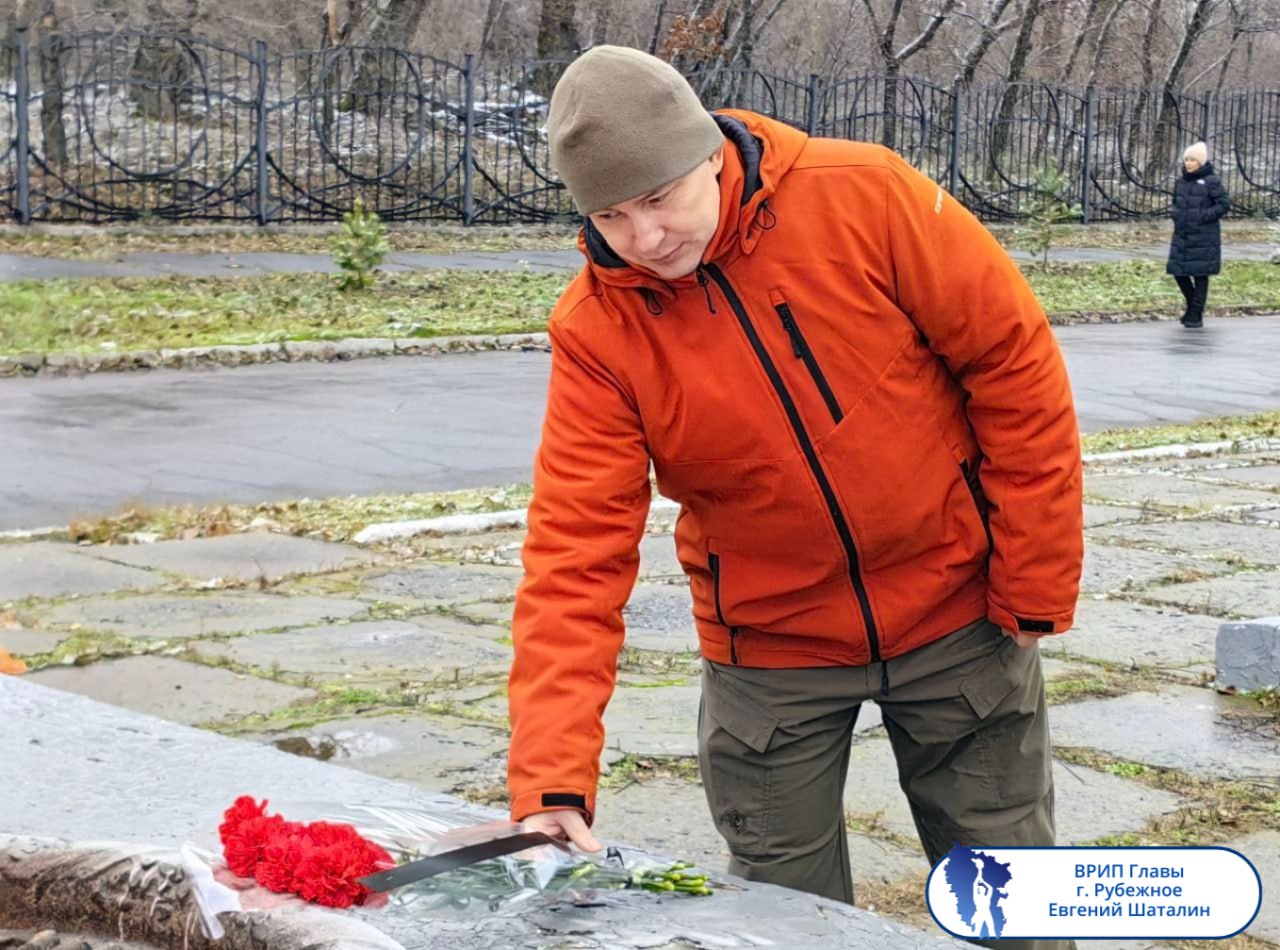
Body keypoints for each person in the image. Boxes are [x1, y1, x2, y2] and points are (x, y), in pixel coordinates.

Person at [507, 45, 1083, 950]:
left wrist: (1034, 580)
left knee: (1015, 903)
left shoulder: (866, 195)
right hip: (768, 653)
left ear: (708, 154)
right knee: (786, 926)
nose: (644, 239)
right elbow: (574, 554)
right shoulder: (596, 331)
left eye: (658, 197)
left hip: (958, 617)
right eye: (611, 215)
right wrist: (551, 783)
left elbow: (1014, 368)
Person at [1167, 141, 1230, 329]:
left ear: (1201, 162)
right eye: (1187, 159)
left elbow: (1224, 204)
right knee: (1179, 272)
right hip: (1183, 235)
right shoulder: (1181, 182)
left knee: (1200, 275)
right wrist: (1176, 215)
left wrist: (1204, 216)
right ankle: (1193, 308)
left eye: (1193, 160)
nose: (1189, 163)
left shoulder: (1211, 181)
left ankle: (1195, 313)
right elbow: (1176, 203)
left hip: (1204, 235)